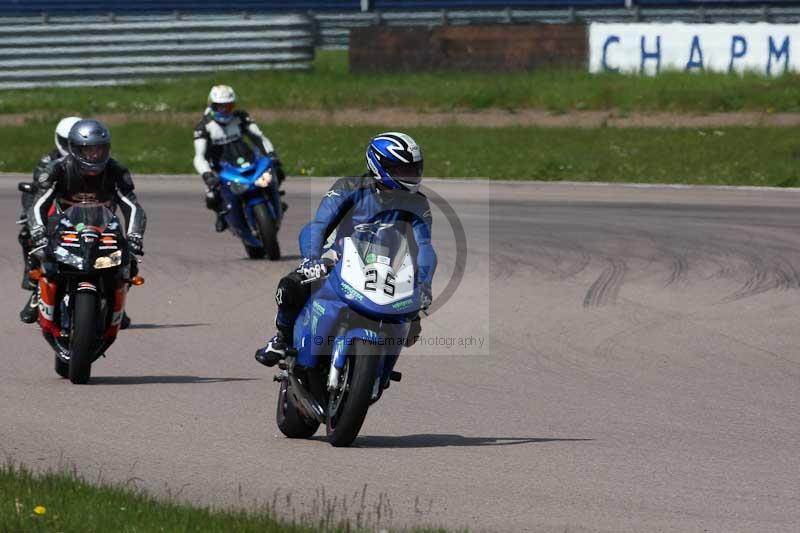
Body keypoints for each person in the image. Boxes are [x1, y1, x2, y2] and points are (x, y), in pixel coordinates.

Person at [254, 132, 436, 367]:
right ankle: (281, 339)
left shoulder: (418, 203)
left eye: (414, 169)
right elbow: (318, 225)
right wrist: (312, 259)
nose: (411, 176)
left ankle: (380, 368)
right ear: (379, 165)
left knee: (412, 322)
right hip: (339, 255)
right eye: (403, 169)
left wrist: (424, 284)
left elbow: (425, 247)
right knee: (290, 287)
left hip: (389, 267)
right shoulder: (348, 187)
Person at [24, 119, 147, 322]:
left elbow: (132, 206)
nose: (95, 155)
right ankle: (37, 294)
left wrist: (134, 235)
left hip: (104, 227)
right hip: (64, 225)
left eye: (100, 149)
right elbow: (38, 204)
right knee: (39, 252)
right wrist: (38, 230)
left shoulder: (116, 171)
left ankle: (117, 302)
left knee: (128, 260)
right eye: (88, 150)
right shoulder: (58, 169)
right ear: (74, 149)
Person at [192, 85, 286, 232]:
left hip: (246, 160)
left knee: (277, 172)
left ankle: (276, 200)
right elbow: (199, 156)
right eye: (220, 107)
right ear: (212, 105)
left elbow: (259, 138)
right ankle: (222, 215)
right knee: (212, 198)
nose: (224, 110)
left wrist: (272, 155)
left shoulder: (241, 117)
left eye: (228, 106)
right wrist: (207, 174)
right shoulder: (203, 126)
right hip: (221, 168)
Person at [18, 116, 81, 324]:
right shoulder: (47, 162)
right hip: (53, 213)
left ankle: (113, 295)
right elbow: (35, 194)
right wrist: (33, 217)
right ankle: (35, 284)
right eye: (68, 143)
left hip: (83, 214)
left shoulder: (93, 160)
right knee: (30, 233)